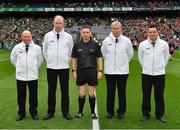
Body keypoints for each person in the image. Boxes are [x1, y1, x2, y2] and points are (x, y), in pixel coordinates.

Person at [43, 15, 73, 120]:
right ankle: (50, 112)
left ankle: (65, 112)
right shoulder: (47, 36)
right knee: (51, 90)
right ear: (53, 23)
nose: (58, 25)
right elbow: (45, 51)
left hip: (64, 67)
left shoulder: (68, 37)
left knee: (65, 91)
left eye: (60, 23)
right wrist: (50, 61)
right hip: (51, 68)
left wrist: (65, 60)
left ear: (63, 23)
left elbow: (70, 51)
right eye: (57, 23)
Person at [101, 20, 133, 119]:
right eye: (114, 28)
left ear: (121, 29)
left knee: (121, 93)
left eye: (117, 28)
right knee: (110, 93)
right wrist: (110, 64)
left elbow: (130, 55)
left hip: (123, 72)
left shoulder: (127, 41)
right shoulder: (106, 41)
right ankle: (110, 112)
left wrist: (122, 63)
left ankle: (121, 112)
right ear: (112, 29)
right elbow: (103, 54)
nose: (115, 30)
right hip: (110, 72)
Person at [138, 24, 169, 123]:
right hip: (146, 74)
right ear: (148, 33)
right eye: (150, 32)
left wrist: (161, 67)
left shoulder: (164, 44)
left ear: (157, 32)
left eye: (154, 32)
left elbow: (166, 57)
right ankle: (145, 114)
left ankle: (160, 114)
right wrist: (146, 67)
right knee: (146, 95)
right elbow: (140, 58)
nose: (152, 34)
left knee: (159, 95)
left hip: (159, 74)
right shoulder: (143, 44)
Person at [10, 30, 43, 121]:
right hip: (20, 76)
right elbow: (12, 59)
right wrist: (19, 67)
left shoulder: (37, 48)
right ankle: (21, 113)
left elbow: (40, 60)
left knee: (33, 96)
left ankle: (33, 113)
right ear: (21, 37)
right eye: (25, 36)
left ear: (31, 37)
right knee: (21, 96)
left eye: (28, 36)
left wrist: (34, 68)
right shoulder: (16, 47)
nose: (27, 38)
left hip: (33, 76)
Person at [71, 26, 103, 119]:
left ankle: (93, 113)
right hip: (80, 71)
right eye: (84, 32)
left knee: (91, 92)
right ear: (81, 33)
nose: (85, 34)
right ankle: (80, 112)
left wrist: (100, 70)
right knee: (81, 92)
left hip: (92, 71)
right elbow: (74, 58)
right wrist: (73, 70)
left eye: (87, 32)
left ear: (90, 33)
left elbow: (99, 57)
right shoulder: (77, 45)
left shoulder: (95, 44)